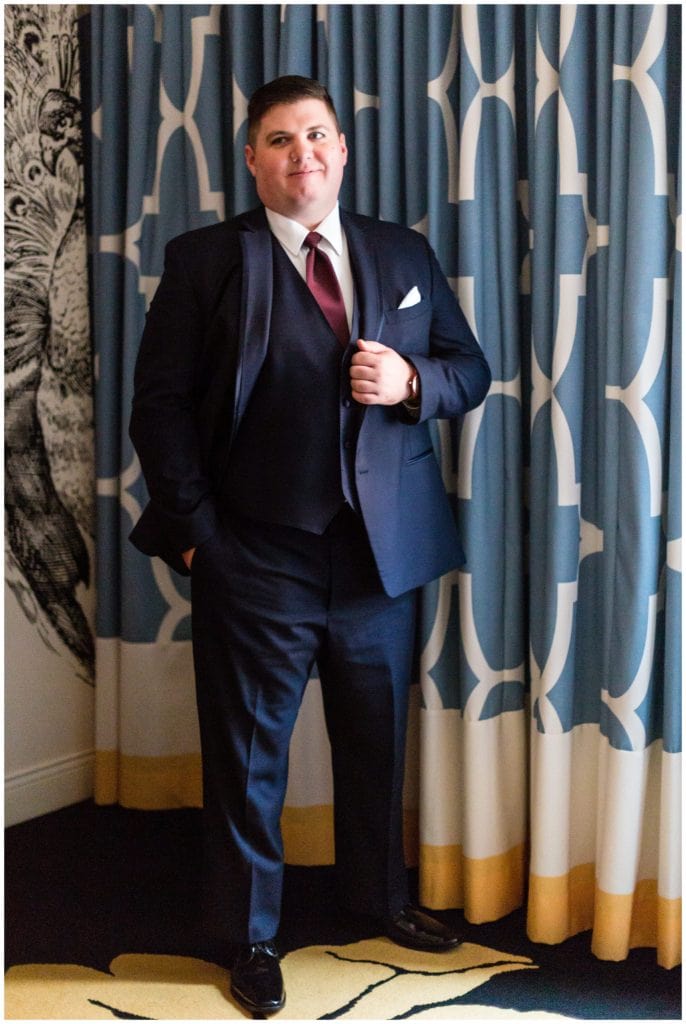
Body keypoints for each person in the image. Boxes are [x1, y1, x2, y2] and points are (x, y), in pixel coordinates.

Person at [129, 75, 491, 1017]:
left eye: (318, 135)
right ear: (253, 160)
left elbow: (472, 369)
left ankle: (380, 902)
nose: (305, 154)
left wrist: (413, 377)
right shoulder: (207, 259)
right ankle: (248, 936)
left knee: (379, 744)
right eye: (281, 140)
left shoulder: (400, 250)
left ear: (343, 146)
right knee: (249, 758)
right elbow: (159, 408)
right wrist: (202, 539)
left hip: (380, 557)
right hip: (256, 554)